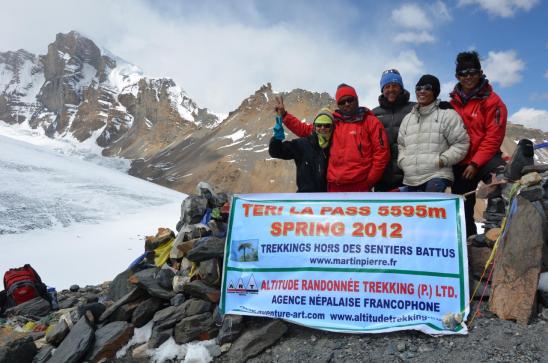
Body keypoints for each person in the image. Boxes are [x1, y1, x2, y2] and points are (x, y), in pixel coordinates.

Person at [278, 84, 390, 192]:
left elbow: (381, 153)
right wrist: (284, 115)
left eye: (350, 100)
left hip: (360, 188)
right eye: (342, 102)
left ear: (356, 99)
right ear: (338, 104)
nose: (346, 104)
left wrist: (370, 181)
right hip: (334, 188)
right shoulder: (332, 122)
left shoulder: (370, 122)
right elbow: (306, 130)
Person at [449, 51, 507, 237]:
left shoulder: (493, 101)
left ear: (480, 73)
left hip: (486, 157)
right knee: (462, 206)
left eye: (472, 72)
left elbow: (493, 137)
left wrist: (475, 163)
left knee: (502, 183)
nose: (468, 77)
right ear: (457, 76)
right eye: (463, 73)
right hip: (460, 160)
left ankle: (496, 232)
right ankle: (469, 241)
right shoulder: (452, 104)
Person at [397, 75, 469, 192]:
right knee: (413, 210)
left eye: (427, 88)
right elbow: (401, 145)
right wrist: (403, 162)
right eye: (419, 88)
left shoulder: (447, 115)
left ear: (435, 92)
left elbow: (461, 143)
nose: (422, 91)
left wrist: (442, 161)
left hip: (436, 176)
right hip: (411, 179)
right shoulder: (407, 119)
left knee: (429, 208)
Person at [268, 107, 333, 192]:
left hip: (328, 201)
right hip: (304, 200)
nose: (322, 128)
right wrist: (277, 137)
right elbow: (275, 151)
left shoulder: (336, 147)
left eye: (327, 125)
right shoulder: (302, 144)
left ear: (333, 127)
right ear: (314, 126)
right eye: (319, 125)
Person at [372, 69, 415, 191]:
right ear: (382, 90)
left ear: (401, 88)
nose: (391, 90)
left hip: (409, 177)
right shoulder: (374, 114)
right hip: (383, 177)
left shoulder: (415, 109)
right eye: (387, 87)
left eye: (395, 86)